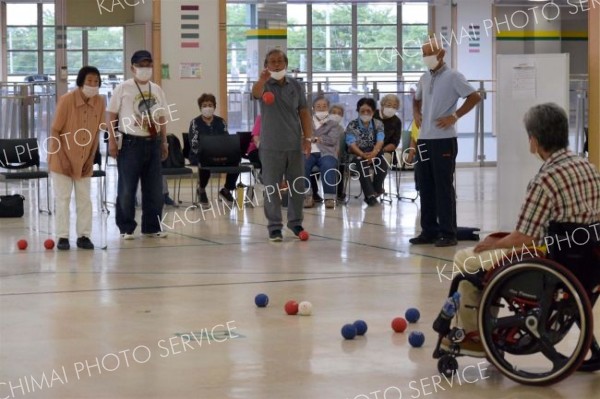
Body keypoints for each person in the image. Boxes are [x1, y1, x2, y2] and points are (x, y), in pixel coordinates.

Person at [439, 103, 600, 356]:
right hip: (587, 262)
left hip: (553, 263)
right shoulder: (587, 167)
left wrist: (492, 244)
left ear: (534, 141)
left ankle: (477, 336)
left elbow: (524, 237)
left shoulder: (545, 179)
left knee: (467, 260)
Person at [411, 38, 481, 247]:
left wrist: (455, 116)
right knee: (425, 185)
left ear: (440, 54)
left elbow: (474, 96)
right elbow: (416, 98)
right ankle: (428, 230)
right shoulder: (424, 77)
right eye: (423, 54)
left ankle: (448, 232)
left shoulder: (453, 76)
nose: (425, 58)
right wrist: (416, 112)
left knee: (443, 186)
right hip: (424, 138)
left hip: (444, 140)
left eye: (428, 53)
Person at [251, 49, 313, 242]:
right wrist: (262, 79)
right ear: (266, 65)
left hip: (294, 144)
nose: (276, 64)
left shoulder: (295, 85)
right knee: (272, 187)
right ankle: (274, 227)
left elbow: (303, 111)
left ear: (285, 64)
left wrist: (307, 138)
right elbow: (255, 93)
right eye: (272, 62)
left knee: (297, 186)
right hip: (270, 145)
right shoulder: (264, 85)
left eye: (279, 61)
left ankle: (296, 223)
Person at [107, 50, 169, 240]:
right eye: (141, 65)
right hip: (130, 143)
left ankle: (152, 226)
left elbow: (162, 117)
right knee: (127, 188)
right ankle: (126, 227)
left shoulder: (156, 89)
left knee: (154, 189)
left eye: (148, 65)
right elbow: (111, 114)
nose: (145, 69)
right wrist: (112, 140)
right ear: (132, 67)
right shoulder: (123, 88)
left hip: (153, 142)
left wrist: (164, 141)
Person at [48, 66, 105, 250]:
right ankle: (63, 237)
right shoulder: (66, 100)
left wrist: (91, 158)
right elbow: (55, 131)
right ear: (81, 81)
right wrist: (62, 158)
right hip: (61, 158)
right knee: (63, 198)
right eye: (89, 80)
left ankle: (84, 236)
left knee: (85, 199)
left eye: (96, 81)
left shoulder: (100, 101)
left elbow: (96, 132)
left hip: (84, 160)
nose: (93, 84)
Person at [188, 93, 238, 209]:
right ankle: (201, 190)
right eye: (204, 105)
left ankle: (226, 190)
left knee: (235, 161)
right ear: (200, 107)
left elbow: (226, 140)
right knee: (204, 162)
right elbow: (194, 144)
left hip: (219, 154)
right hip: (199, 154)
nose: (207, 108)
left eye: (210, 105)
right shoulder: (195, 123)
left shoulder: (221, 122)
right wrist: (204, 152)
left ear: (214, 107)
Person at [303, 96, 344, 209]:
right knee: (302, 164)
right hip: (308, 152)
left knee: (328, 165)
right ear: (313, 108)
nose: (321, 108)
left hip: (327, 153)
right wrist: (314, 138)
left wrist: (314, 138)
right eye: (318, 106)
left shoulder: (333, 124)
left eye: (324, 106)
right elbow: (301, 137)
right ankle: (307, 196)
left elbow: (332, 140)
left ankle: (329, 198)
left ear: (328, 108)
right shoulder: (305, 122)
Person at [345, 97, 386, 207]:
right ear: (358, 111)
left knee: (382, 164)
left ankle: (376, 190)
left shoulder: (378, 124)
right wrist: (362, 154)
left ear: (373, 111)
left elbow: (380, 140)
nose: (365, 113)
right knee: (361, 164)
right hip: (357, 153)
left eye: (368, 111)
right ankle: (370, 196)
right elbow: (351, 143)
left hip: (375, 152)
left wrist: (373, 154)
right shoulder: (352, 125)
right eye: (362, 111)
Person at [373, 94, 402, 196]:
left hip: (386, 150)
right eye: (389, 105)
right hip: (369, 148)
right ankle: (373, 189)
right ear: (382, 104)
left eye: (394, 106)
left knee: (383, 161)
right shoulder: (373, 115)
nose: (391, 108)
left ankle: (375, 189)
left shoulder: (397, 121)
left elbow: (395, 142)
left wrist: (382, 150)